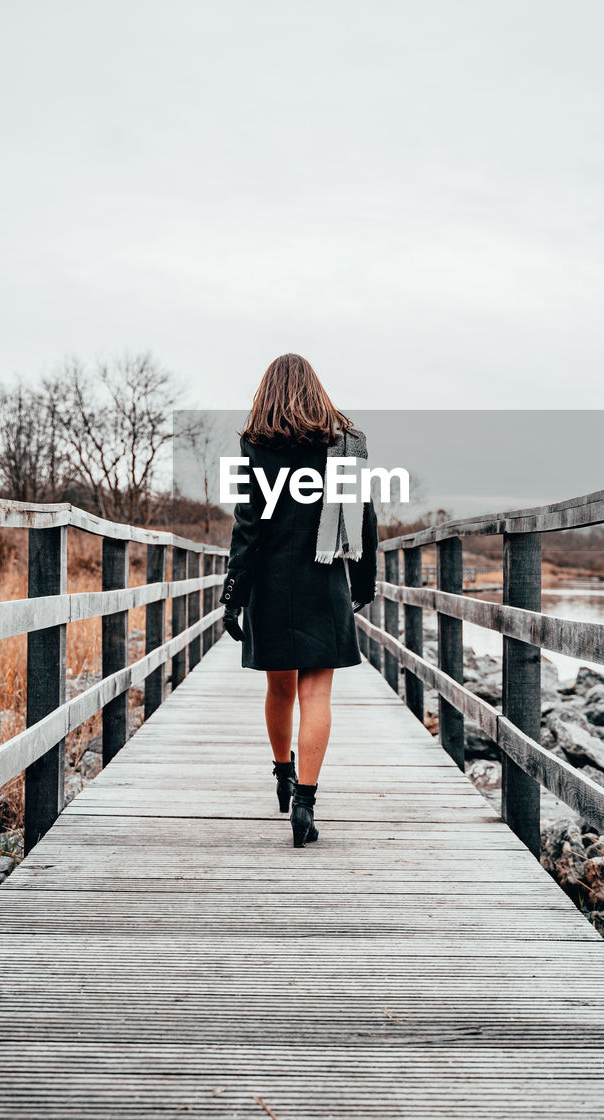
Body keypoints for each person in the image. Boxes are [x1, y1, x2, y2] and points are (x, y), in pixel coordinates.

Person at [219, 353, 378, 847]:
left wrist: (233, 595)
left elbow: (248, 527)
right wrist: (366, 582)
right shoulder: (343, 445)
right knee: (316, 696)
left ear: (266, 393)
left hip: (270, 583)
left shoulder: (254, 446)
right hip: (325, 578)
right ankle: (305, 804)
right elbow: (364, 519)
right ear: (316, 391)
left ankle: (283, 776)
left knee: (280, 690)